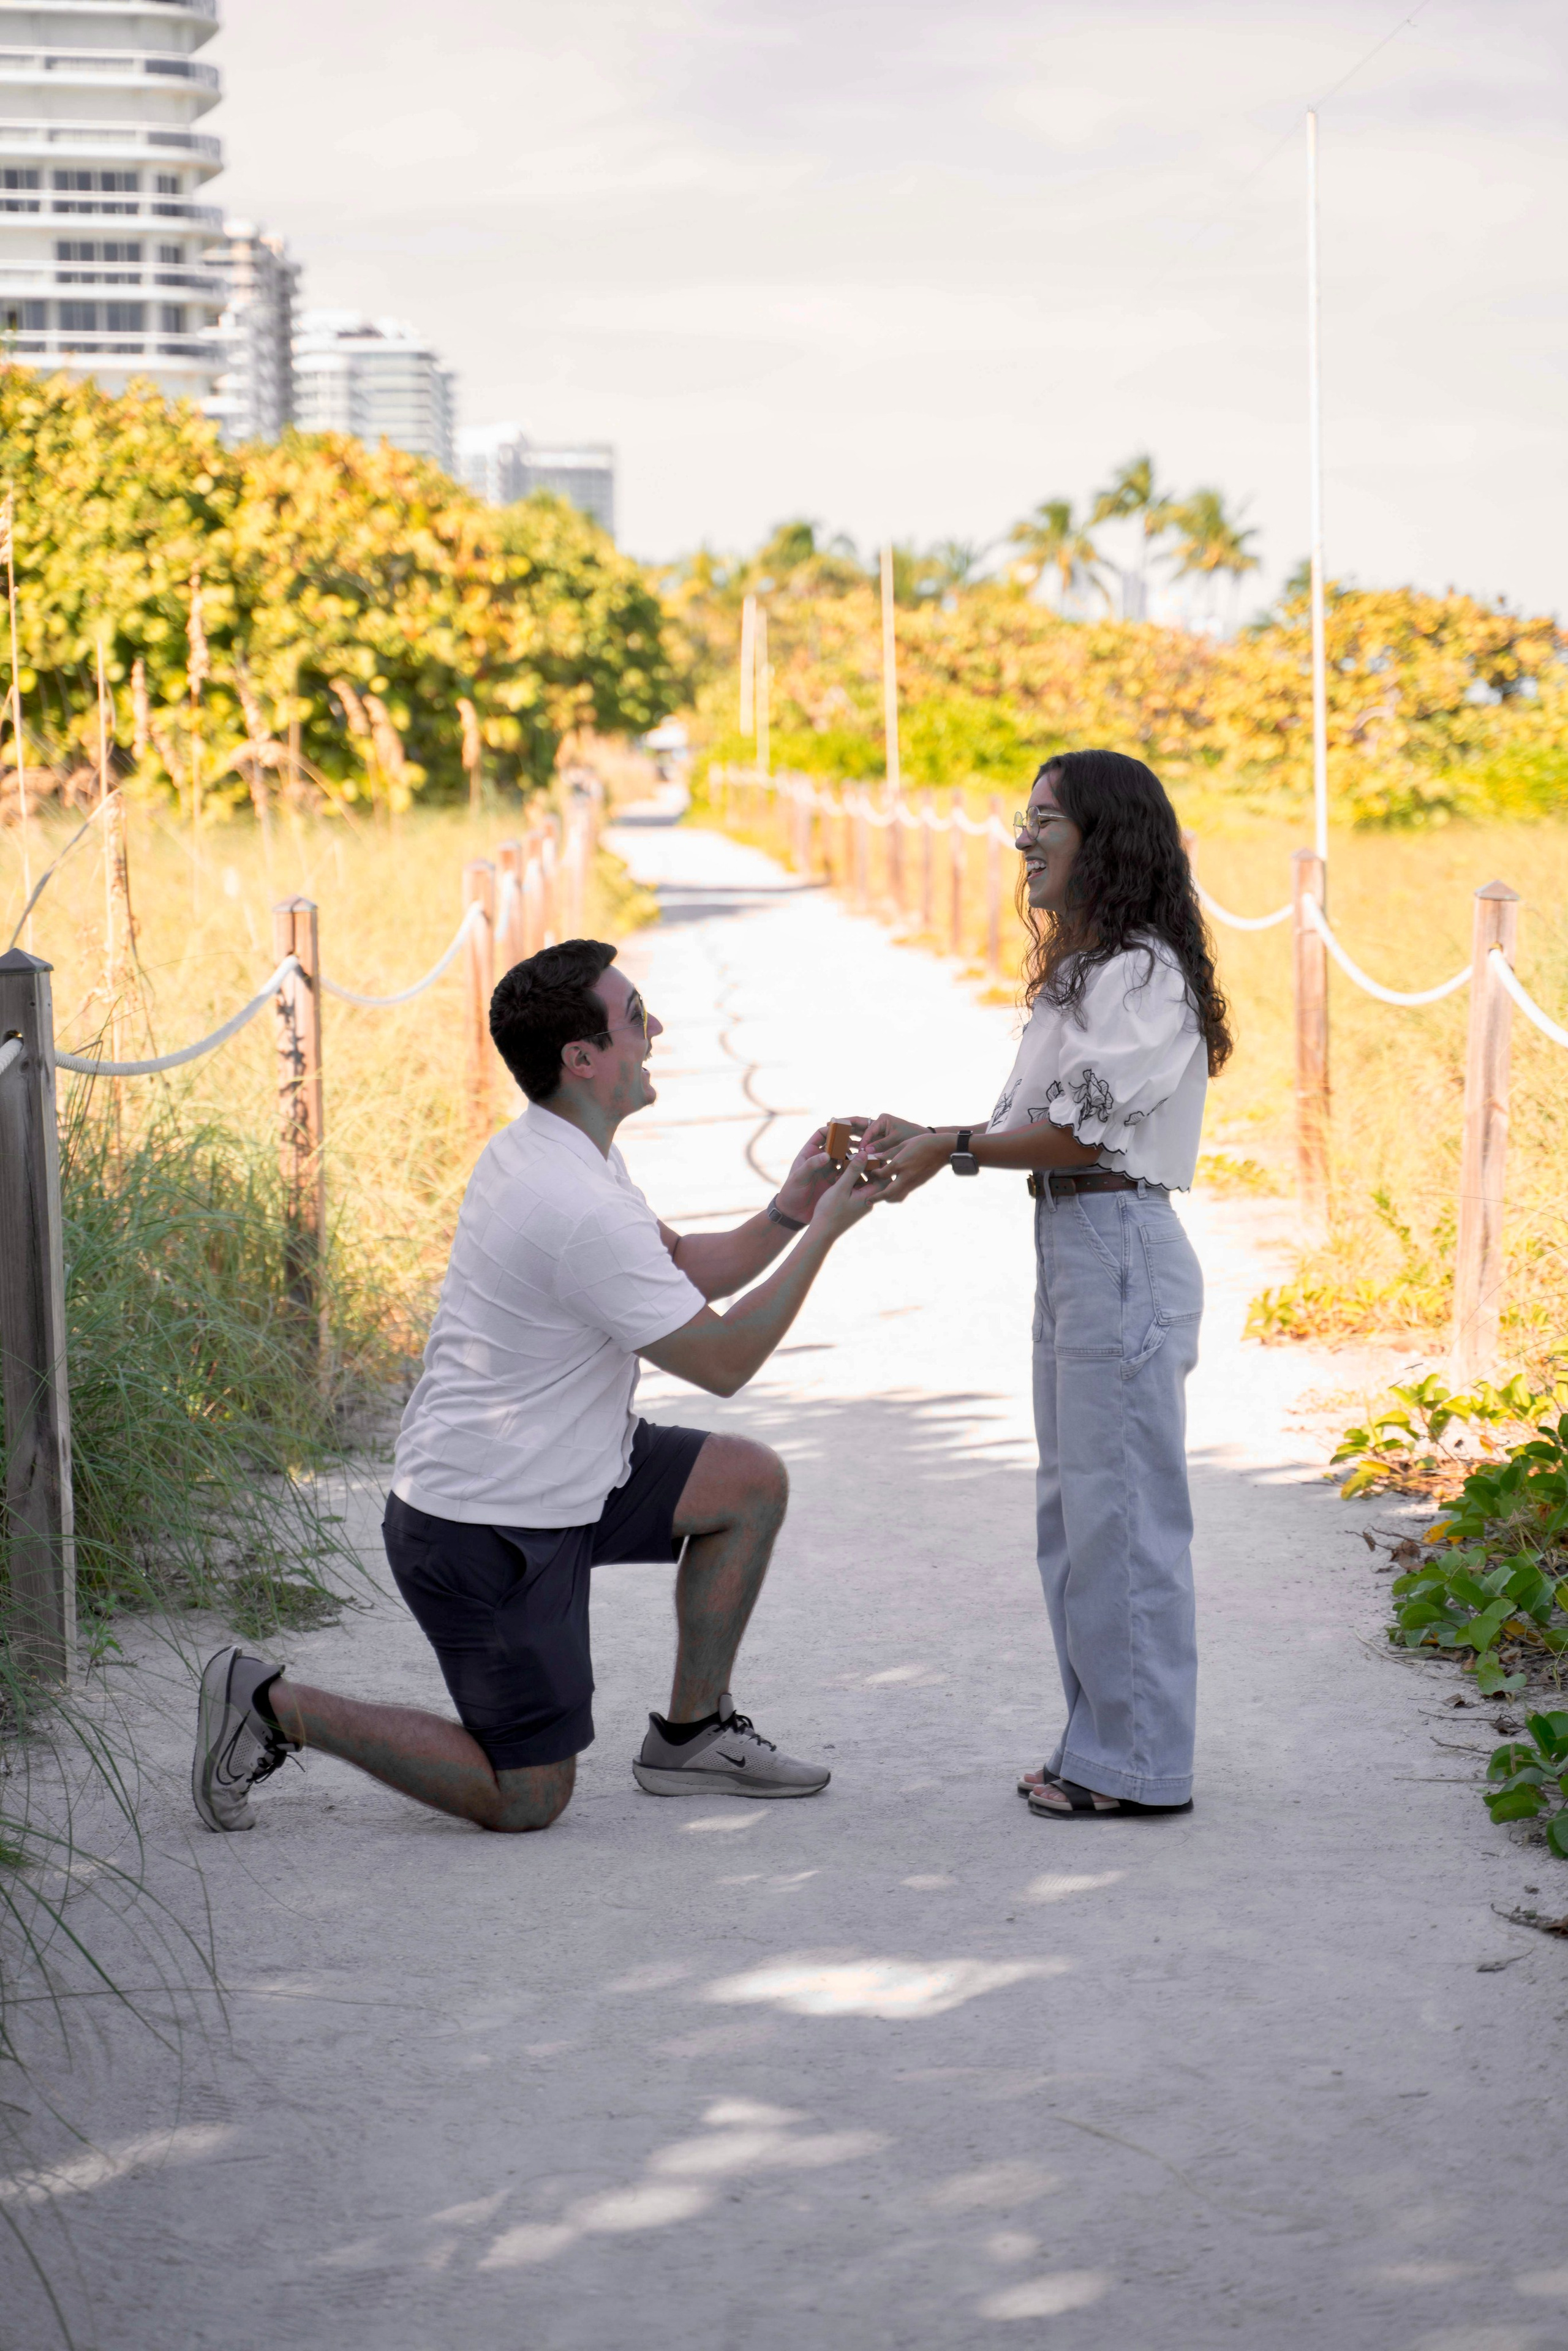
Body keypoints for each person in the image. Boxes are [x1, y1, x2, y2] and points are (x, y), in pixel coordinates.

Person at [192, 938, 883, 1836]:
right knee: (529, 1795)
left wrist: (790, 1208)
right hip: (484, 1524)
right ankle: (269, 1702)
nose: (657, 1027)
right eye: (636, 1016)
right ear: (582, 1057)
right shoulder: (572, 1204)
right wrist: (830, 1230)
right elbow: (725, 1363)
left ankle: (691, 1735)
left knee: (747, 1484)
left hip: (572, 1472)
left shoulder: (568, 1151)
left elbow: (678, 1267)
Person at [864, 749, 1231, 1820]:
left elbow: (1077, 1132)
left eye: (1046, 823)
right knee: (1076, 1516)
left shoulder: (1147, 973)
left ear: (1104, 841)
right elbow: (1039, 1126)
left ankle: (1137, 1763)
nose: (1024, 840)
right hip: (1076, 1246)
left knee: (1122, 1515)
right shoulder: (1090, 971)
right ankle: (1105, 1743)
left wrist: (951, 1145)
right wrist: (936, 1135)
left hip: (1117, 1239)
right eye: (1024, 821)